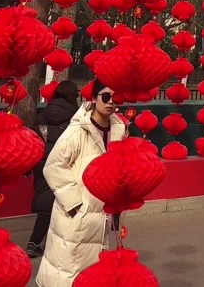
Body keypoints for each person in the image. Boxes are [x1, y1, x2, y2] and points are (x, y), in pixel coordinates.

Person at [36, 79, 127, 287]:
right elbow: (54, 166)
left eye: (115, 98)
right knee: (67, 271)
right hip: (76, 215)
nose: (111, 102)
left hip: (101, 216)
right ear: (94, 99)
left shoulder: (118, 132)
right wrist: (75, 204)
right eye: (105, 96)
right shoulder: (77, 131)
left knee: (93, 273)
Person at [27, 80, 79, 259]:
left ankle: (41, 242)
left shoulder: (43, 113)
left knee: (46, 199)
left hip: (41, 162)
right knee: (60, 203)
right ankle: (35, 243)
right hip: (63, 163)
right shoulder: (76, 116)